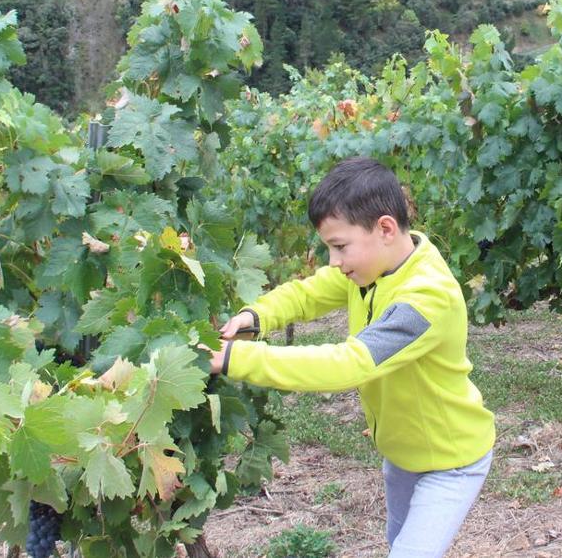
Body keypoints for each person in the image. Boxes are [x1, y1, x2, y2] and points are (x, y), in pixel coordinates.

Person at [210, 156, 496, 558]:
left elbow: (348, 364)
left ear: (384, 228)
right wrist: (256, 316)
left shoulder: (427, 298)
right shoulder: (373, 268)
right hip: (402, 455)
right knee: (400, 545)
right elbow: (306, 293)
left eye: (339, 247)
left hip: (451, 462)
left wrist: (235, 359)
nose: (334, 261)